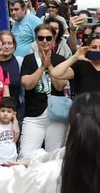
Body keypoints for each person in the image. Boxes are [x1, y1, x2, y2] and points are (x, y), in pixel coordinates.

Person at [20, 23, 68, 158]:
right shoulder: (29, 59)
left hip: (56, 114)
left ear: (54, 39)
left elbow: (60, 86)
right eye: (41, 38)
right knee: (26, 155)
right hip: (34, 114)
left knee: (54, 155)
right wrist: (42, 67)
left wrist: (51, 67)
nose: (44, 41)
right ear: (36, 40)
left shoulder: (60, 60)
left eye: (48, 38)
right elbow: (27, 85)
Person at [0, 97, 20, 165]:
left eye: (9, 111)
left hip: (12, 161)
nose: (5, 114)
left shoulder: (14, 127)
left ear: (14, 114)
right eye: (3, 111)